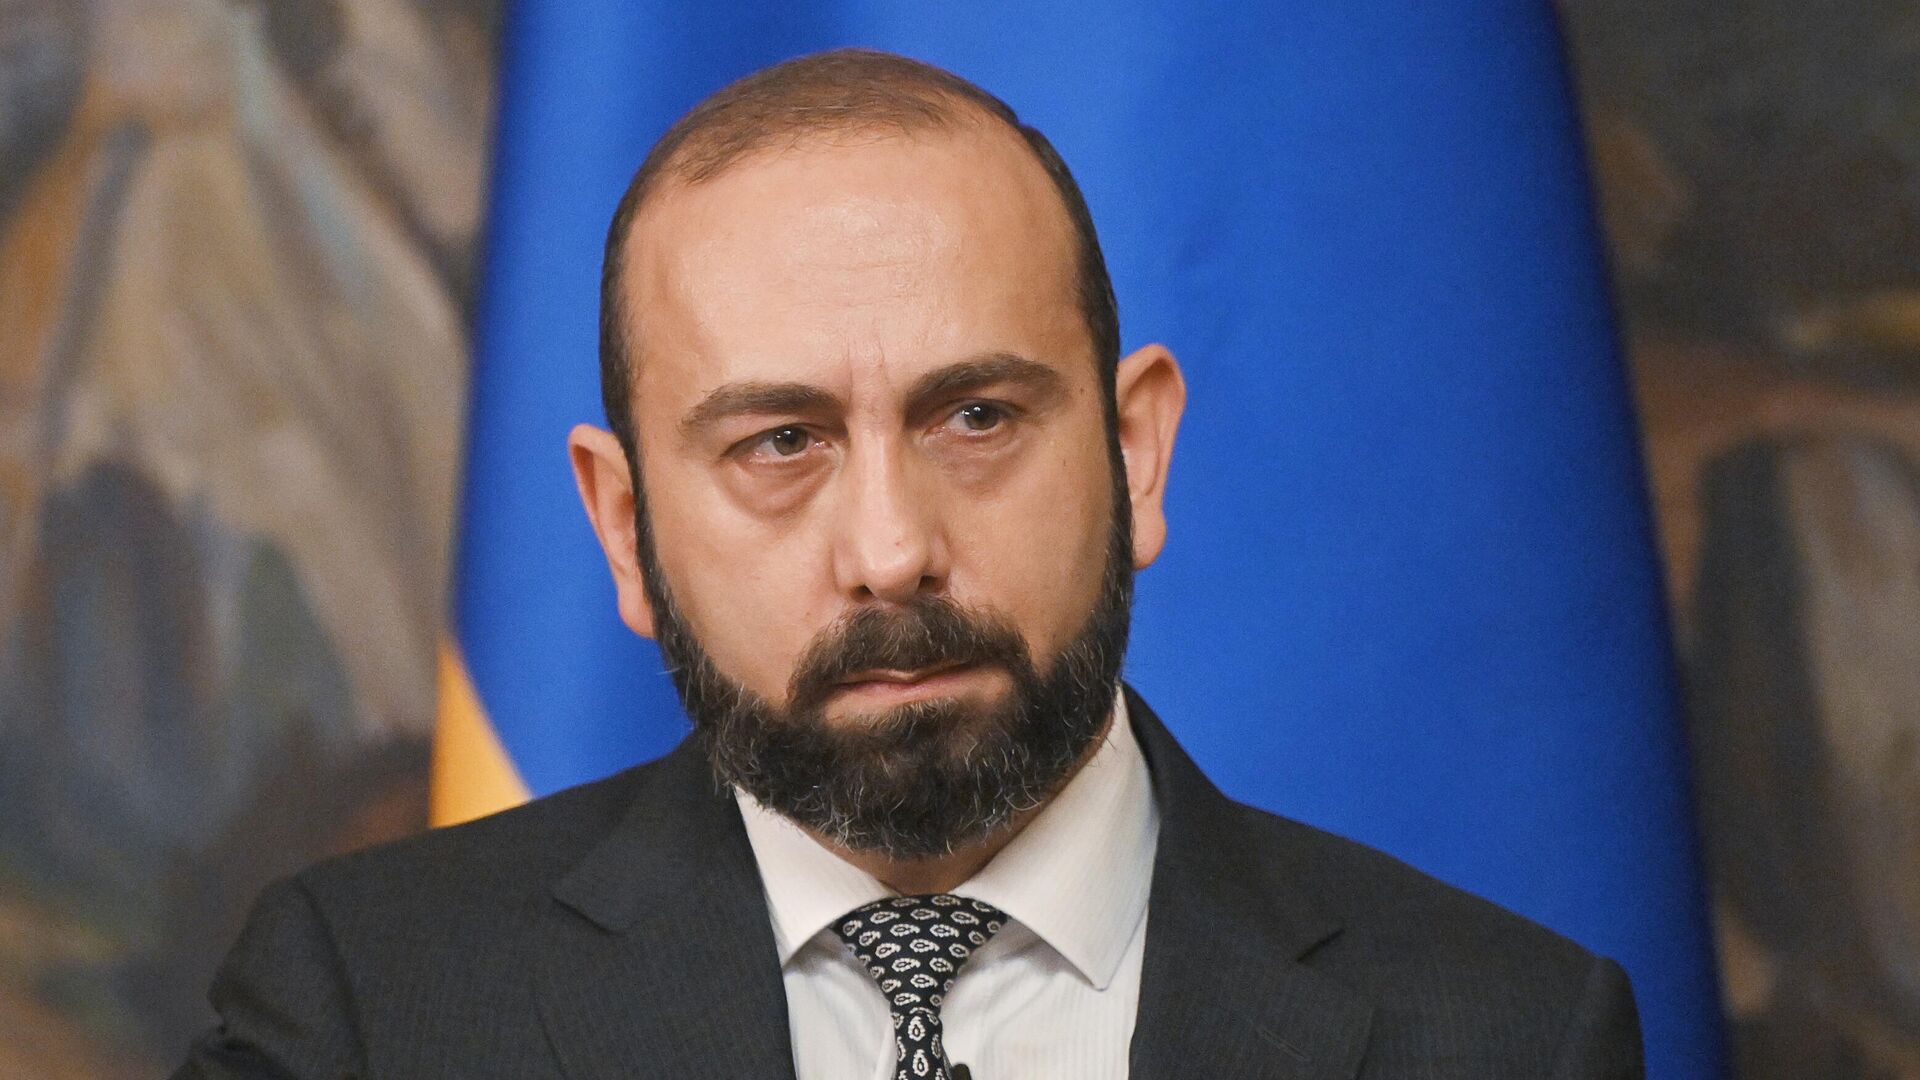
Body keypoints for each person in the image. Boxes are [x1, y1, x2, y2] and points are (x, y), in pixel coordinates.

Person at [176, 48, 1643, 1079]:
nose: (891, 553)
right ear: (622, 527)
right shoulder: (369, 1013)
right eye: (780, 443)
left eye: (978, 417)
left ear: (1136, 453)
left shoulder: (1510, 1035)